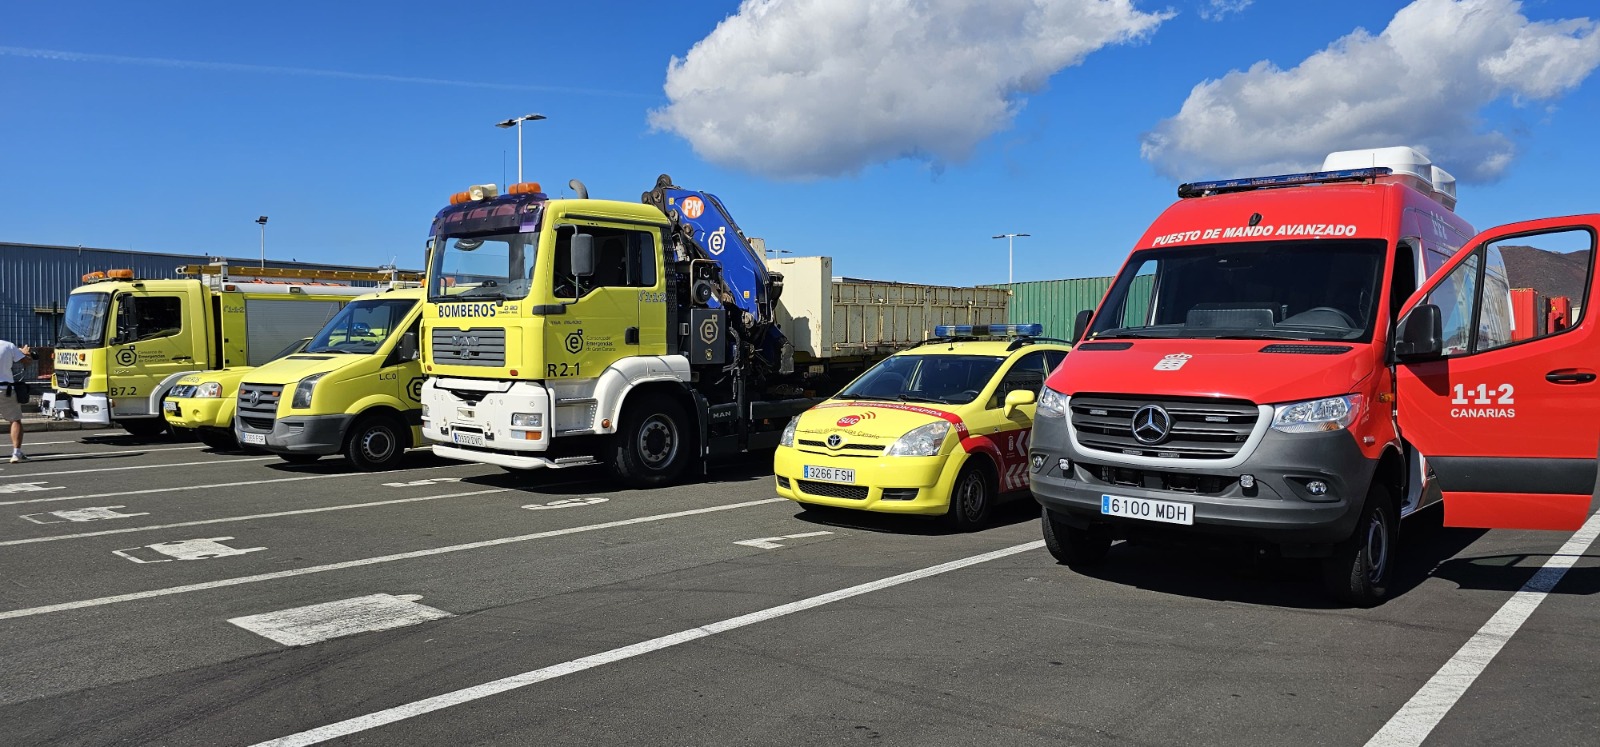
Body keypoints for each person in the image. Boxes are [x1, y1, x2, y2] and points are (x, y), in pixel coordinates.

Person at [0, 338, 37, 463]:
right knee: (15, 420)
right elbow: (26, 362)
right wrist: (25, 352)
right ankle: (16, 453)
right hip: (5, 389)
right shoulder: (8, 346)